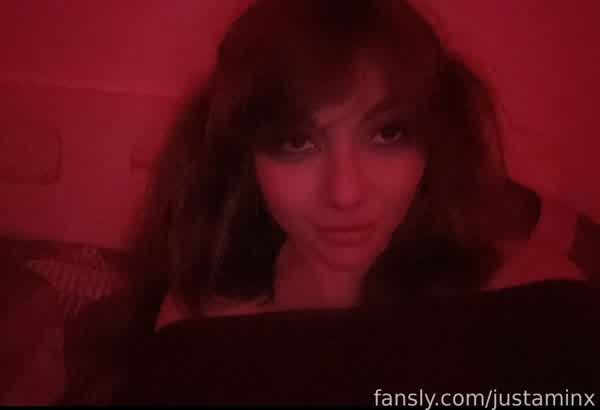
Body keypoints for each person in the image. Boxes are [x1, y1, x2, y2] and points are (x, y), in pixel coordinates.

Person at [115, 0, 600, 404]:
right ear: (246, 158)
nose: (345, 194)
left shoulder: (539, 309)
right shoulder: (197, 333)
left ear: (435, 141)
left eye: (388, 134)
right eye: (296, 142)